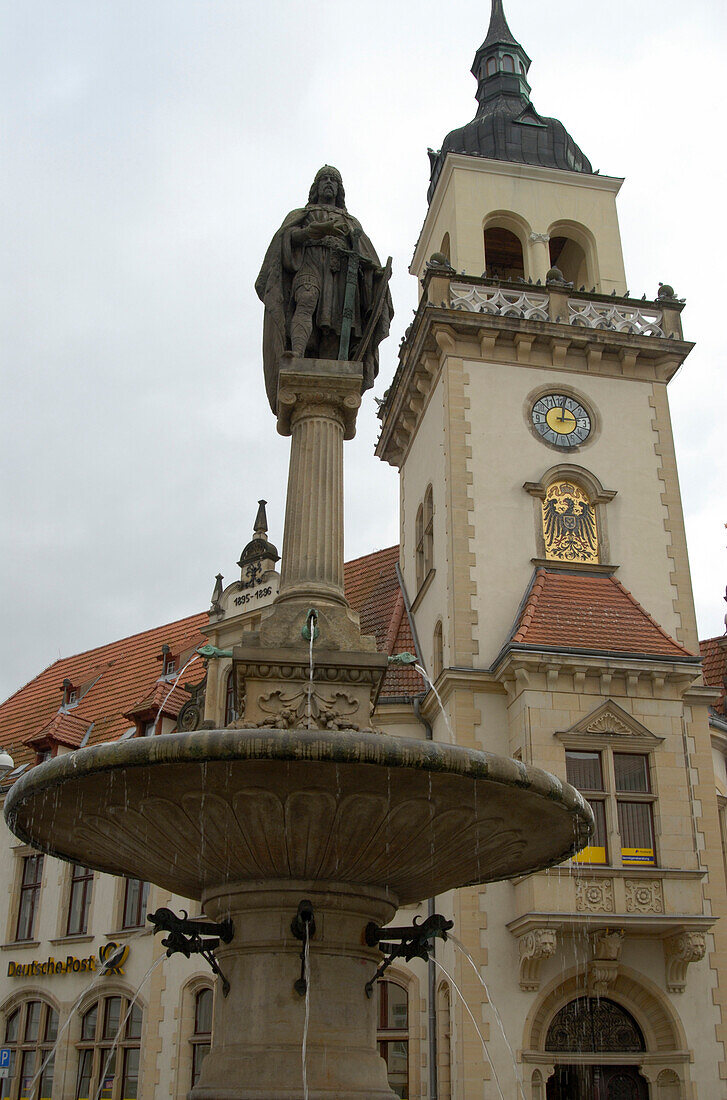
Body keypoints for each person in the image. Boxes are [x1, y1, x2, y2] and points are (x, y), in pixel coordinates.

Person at [255, 166, 393, 412]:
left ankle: (331, 360)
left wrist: (375, 275)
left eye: (333, 180)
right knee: (306, 300)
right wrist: (312, 232)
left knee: (335, 326)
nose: (329, 183)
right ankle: (296, 353)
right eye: (324, 179)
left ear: (340, 190)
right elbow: (285, 241)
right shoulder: (302, 214)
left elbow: (365, 254)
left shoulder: (350, 222)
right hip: (309, 264)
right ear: (315, 187)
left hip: (338, 274)